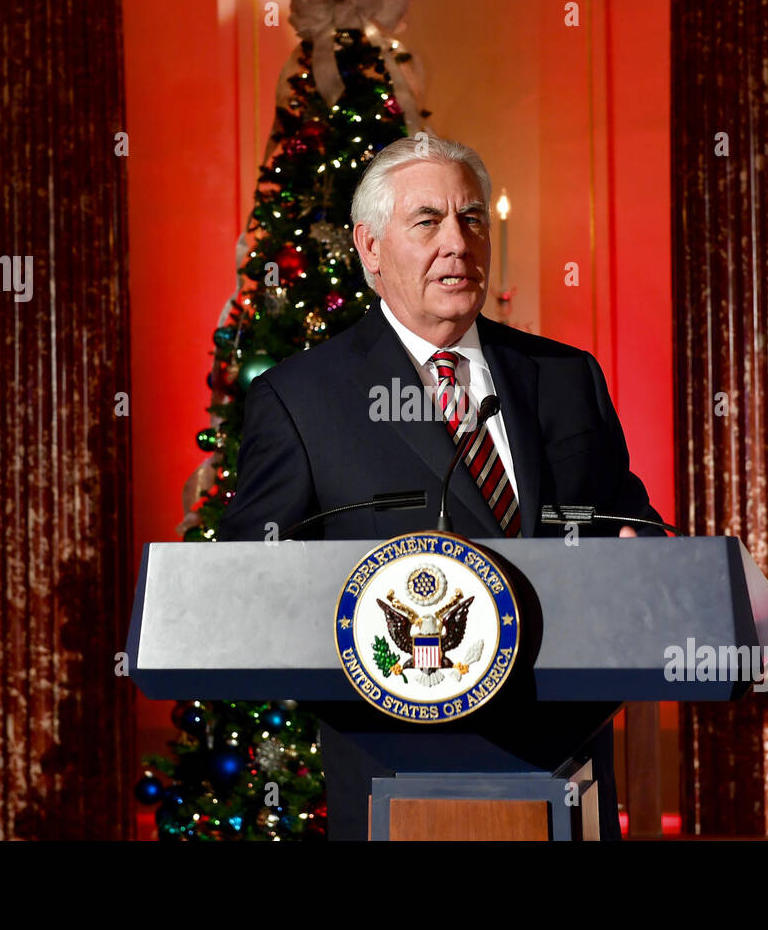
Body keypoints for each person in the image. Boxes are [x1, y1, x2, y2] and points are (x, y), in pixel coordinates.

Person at [218, 135, 667, 840]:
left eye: (473, 218)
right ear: (370, 248)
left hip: (566, 765)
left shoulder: (565, 376)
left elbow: (628, 519)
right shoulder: (303, 399)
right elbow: (249, 581)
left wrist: (646, 548)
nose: (458, 243)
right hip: (397, 777)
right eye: (427, 221)